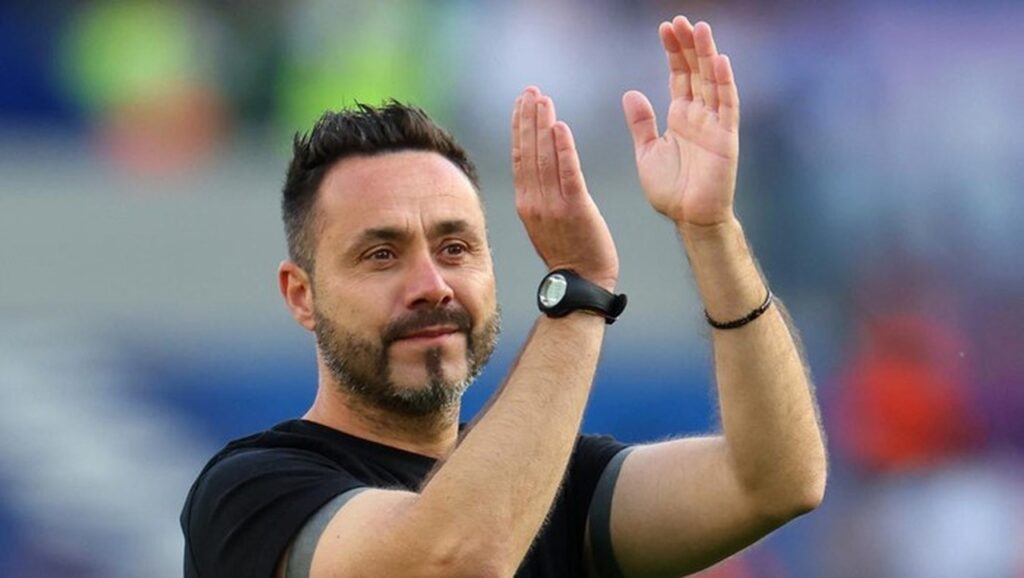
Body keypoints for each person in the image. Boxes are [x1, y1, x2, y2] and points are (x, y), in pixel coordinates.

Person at [181, 16, 827, 578]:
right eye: (381, 255)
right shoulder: (250, 491)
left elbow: (776, 481)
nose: (431, 285)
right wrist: (579, 290)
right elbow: (458, 558)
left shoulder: (556, 487)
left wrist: (711, 231)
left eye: (455, 248)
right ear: (302, 296)